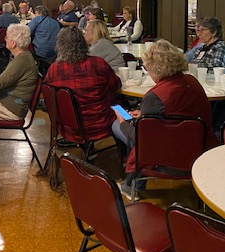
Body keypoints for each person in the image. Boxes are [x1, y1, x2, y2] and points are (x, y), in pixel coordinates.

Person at [111, 39, 216, 198]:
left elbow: (141, 137)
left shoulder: (155, 96)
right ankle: (132, 183)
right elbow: (179, 115)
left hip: (167, 158)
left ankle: (132, 185)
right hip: (199, 151)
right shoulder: (192, 82)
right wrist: (145, 115)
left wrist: (123, 122)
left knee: (118, 126)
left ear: (155, 69)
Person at [45, 27, 121, 145]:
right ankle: (128, 146)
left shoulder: (53, 70)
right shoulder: (98, 63)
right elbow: (116, 85)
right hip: (101, 123)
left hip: (69, 128)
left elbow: (49, 96)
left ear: (59, 46)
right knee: (122, 108)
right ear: (83, 43)